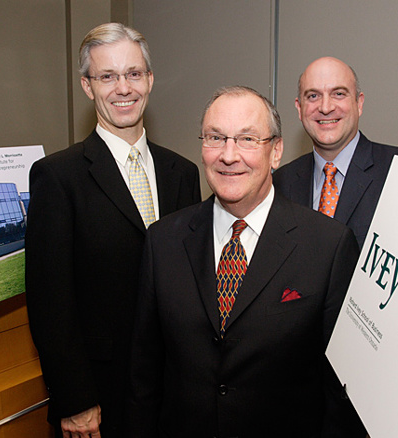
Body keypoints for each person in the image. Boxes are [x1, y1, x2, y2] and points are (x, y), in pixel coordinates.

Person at [127, 86, 365, 437]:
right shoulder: (164, 241)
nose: (228, 155)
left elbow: (340, 389)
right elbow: (144, 375)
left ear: (276, 151)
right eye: (215, 138)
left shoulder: (328, 245)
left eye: (248, 139)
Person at [25, 23, 201, 438]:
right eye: (108, 76)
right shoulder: (57, 177)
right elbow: (50, 301)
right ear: (88, 86)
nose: (123, 88)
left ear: (150, 79)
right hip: (100, 397)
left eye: (134, 74)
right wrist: (74, 399)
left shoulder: (183, 173)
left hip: (176, 389)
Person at [274, 57, 398, 248]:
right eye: (313, 96)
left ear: (359, 103)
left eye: (339, 94)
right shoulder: (280, 183)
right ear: (299, 108)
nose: (326, 107)